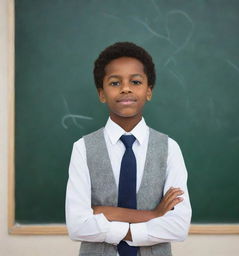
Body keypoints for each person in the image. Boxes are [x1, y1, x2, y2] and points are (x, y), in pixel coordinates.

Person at [65, 42, 192, 256]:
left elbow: (178, 227)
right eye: (115, 82)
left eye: (135, 81)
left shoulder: (170, 148)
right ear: (101, 94)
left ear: (148, 91)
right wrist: (152, 215)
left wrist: (104, 214)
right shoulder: (82, 148)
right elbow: (77, 226)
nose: (126, 88)